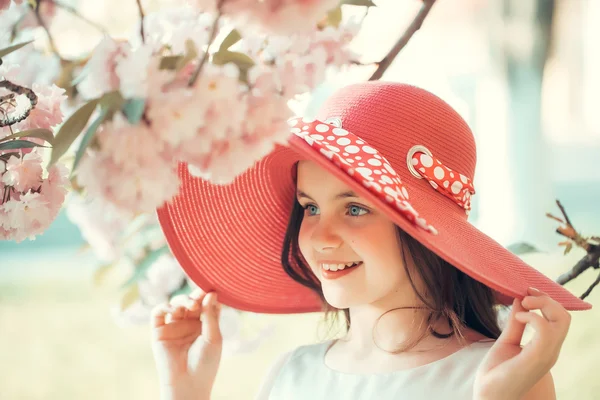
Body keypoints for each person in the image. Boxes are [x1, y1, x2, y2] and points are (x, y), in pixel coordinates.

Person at [151, 81, 591, 400]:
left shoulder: (502, 376)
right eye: (309, 207)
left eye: (356, 209)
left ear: (425, 235)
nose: (320, 237)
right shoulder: (291, 374)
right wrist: (184, 394)